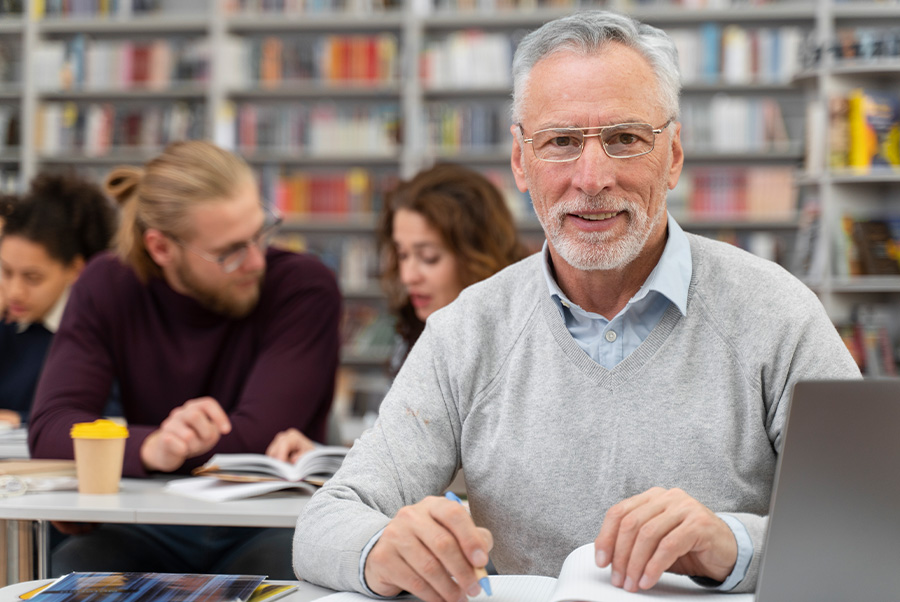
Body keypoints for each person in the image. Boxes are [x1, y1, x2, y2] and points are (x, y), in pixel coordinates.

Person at [291, 10, 860, 600]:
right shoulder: (466, 331)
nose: (593, 178)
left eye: (625, 139)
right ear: (519, 161)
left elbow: (871, 529)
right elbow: (325, 522)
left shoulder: (777, 315)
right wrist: (383, 549)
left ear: (674, 155)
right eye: (560, 142)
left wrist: (733, 545)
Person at [28, 140, 341, 578]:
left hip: (269, 521)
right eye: (230, 251)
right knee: (72, 570)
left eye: (260, 233)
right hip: (144, 519)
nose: (256, 260)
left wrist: (140, 450)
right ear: (160, 249)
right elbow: (50, 428)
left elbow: (257, 440)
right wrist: (153, 446)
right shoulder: (106, 284)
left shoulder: (303, 288)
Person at [265, 163, 528, 460]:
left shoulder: (523, 340)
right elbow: (407, 453)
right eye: (402, 255)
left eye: (428, 257)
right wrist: (326, 460)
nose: (408, 275)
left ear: (478, 255)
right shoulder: (414, 335)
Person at [0, 173, 117, 427]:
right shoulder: (6, 320)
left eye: (32, 277)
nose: (14, 291)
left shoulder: (99, 327)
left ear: (76, 269)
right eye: (6, 272)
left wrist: (21, 420)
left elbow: (111, 417)